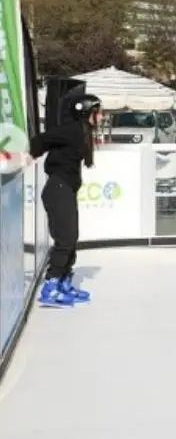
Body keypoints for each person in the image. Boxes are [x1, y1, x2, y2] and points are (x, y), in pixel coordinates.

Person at [28, 89, 103, 307]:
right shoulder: (72, 130)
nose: (101, 116)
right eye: (98, 112)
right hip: (58, 189)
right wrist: (27, 154)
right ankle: (50, 287)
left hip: (65, 189)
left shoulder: (82, 131)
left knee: (72, 237)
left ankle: (63, 282)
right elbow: (43, 139)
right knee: (65, 239)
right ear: (87, 112)